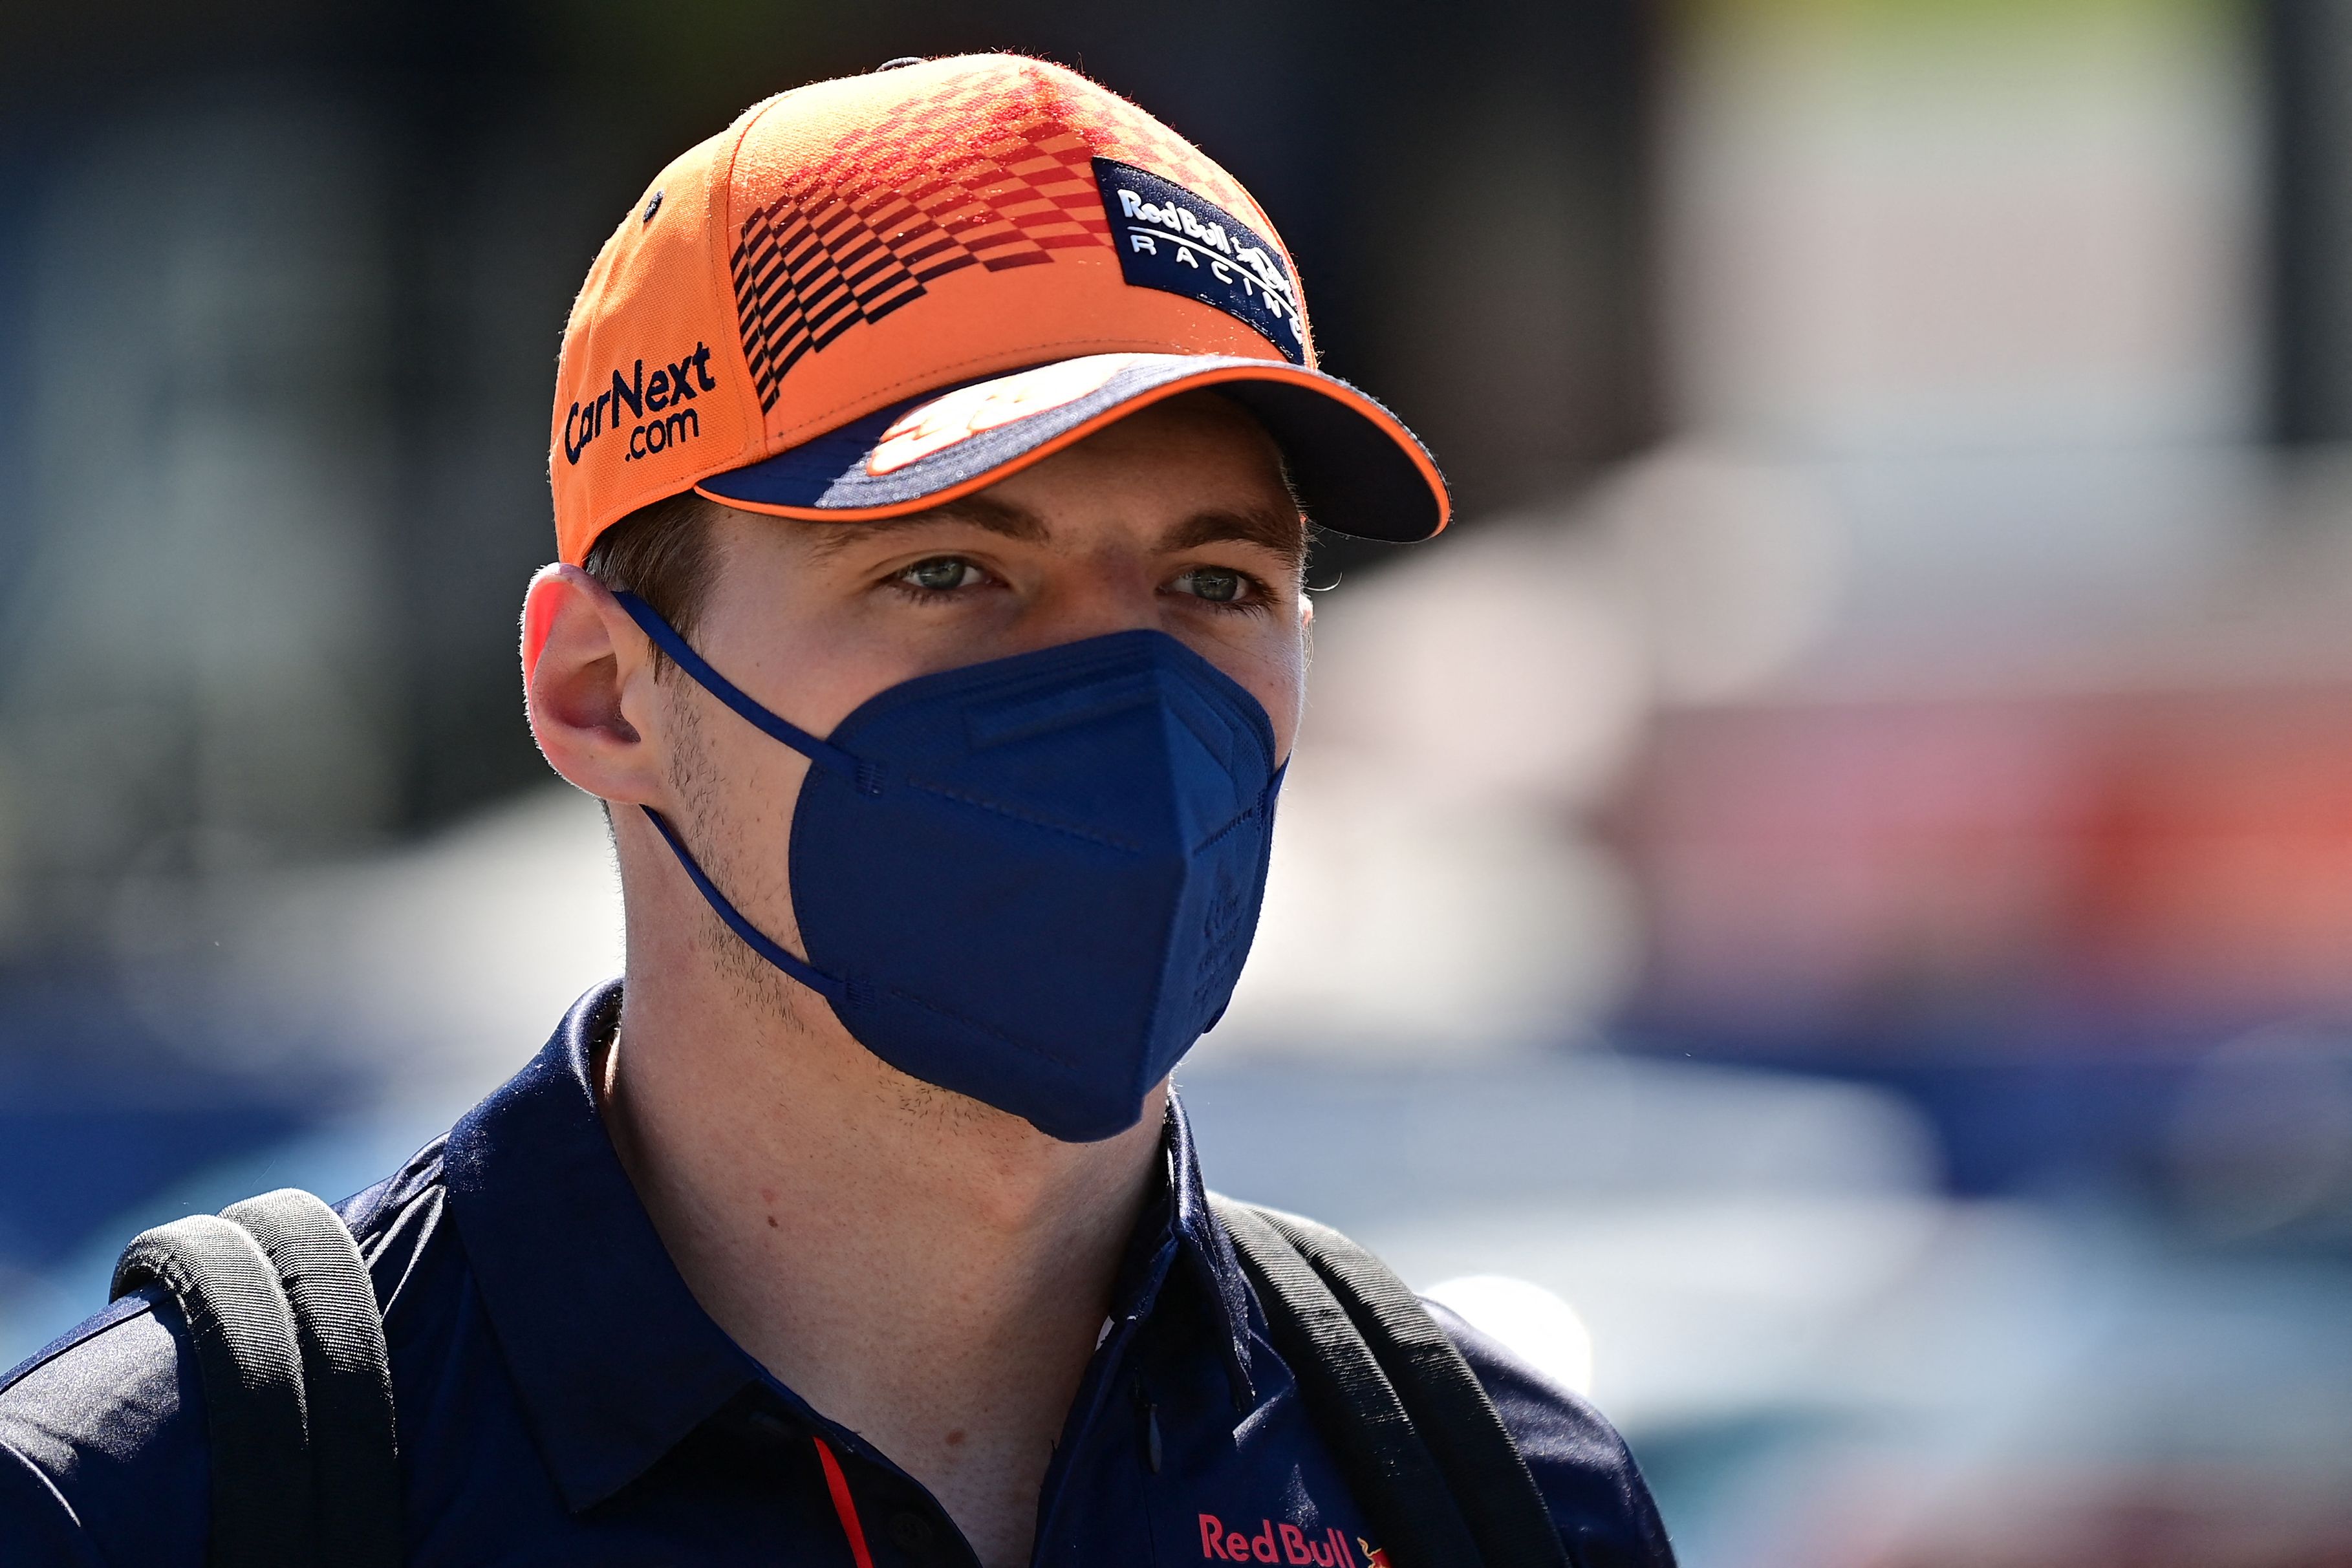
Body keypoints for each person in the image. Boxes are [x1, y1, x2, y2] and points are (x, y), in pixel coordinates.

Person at [0, 54, 1675, 1567]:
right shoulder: (159, 1501)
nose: (1130, 704)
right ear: (600, 685)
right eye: (949, 568)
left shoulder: (1494, 1497)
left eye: (1215, 578)